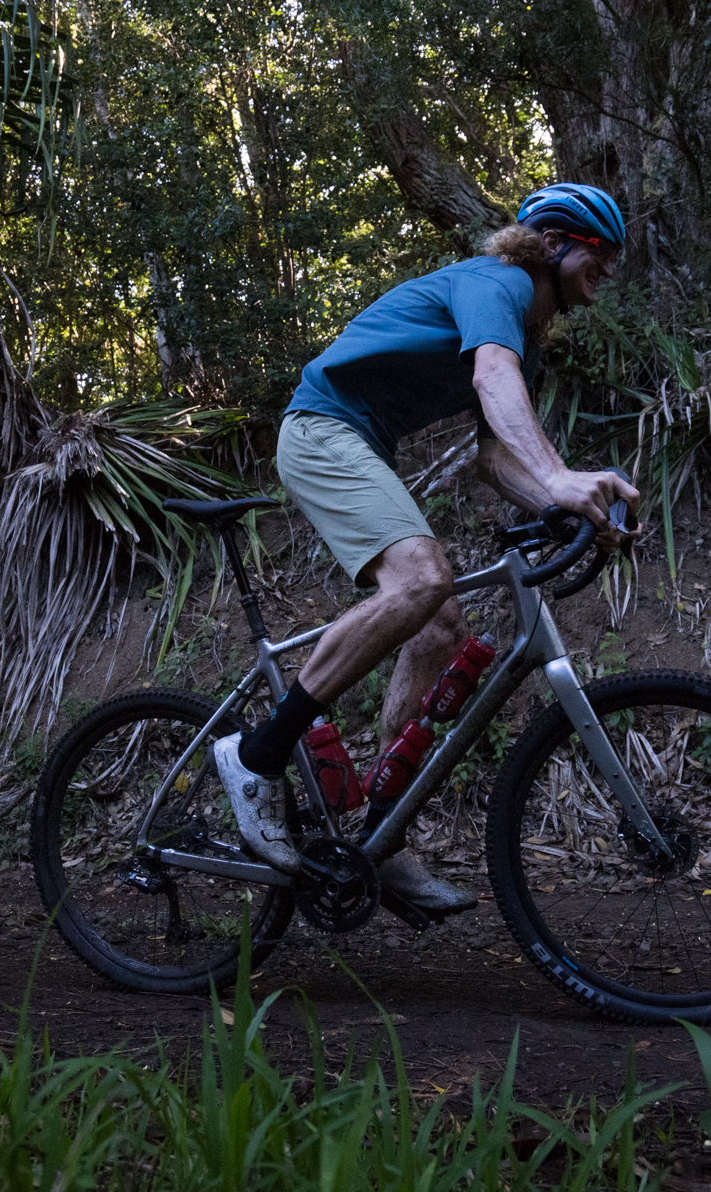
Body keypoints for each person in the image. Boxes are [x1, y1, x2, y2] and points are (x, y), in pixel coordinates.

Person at [213, 183, 640, 914]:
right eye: (600, 251)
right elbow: (491, 375)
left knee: (439, 626)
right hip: (320, 428)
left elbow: (495, 457)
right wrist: (559, 477)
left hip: (359, 441)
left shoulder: (525, 336)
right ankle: (258, 755)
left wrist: (569, 507)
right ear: (555, 243)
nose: (608, 268)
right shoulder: (499, 282)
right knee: (419, 579)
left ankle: (380, 837)